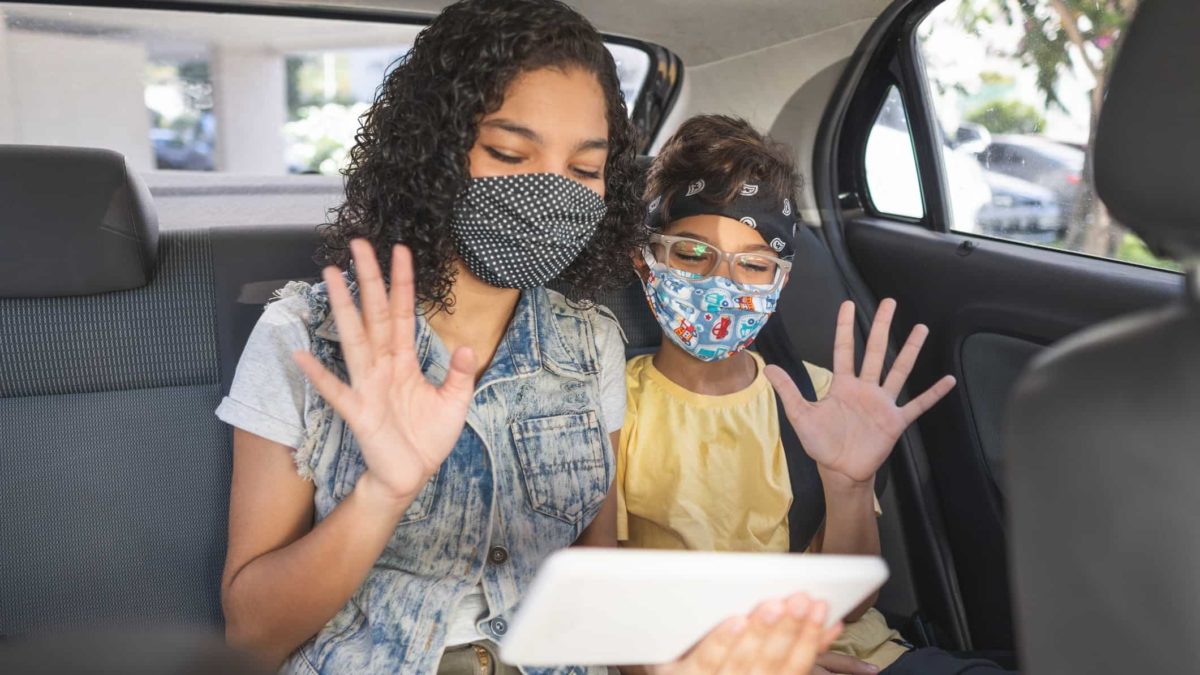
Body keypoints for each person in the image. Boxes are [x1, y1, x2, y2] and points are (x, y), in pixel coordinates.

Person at [215, 2, 842, 674]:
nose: (551, 192)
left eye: (583, 169)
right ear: (435, 152)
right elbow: (252, 639)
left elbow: (592, 584)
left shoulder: (589, 344)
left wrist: (692, 661)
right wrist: (381, 495)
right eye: (511, 153)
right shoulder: (304, 336)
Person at [617, 115, 1014, 674]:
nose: (720, 283)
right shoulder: (614, 410)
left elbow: (849, 606)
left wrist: (847, 483)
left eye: (753, 265)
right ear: (646, 260)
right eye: (690, 254)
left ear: (778, 282)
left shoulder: (818, 401)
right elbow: (603, 619)